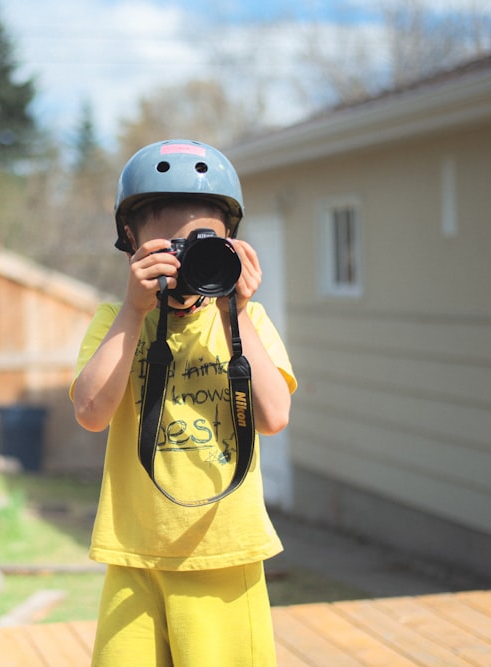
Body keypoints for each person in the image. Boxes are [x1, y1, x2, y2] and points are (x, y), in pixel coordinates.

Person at [70, 139, 297, 666]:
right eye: (169, 247)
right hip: (135, 553)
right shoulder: (116, 323)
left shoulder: (248, 325)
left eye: (203, 245)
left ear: (231, 246)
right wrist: (133, 311)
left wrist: (234, 310)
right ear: (131, 240)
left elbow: (274, 416)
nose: (186, 259)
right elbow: (91, 413)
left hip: (225, 554)